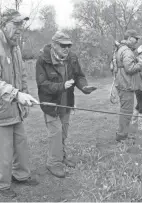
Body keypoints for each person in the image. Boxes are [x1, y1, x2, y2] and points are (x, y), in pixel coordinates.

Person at [0, 9, 40, 198]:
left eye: (22, 25)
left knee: (20, 145)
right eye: (16, 24)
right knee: (3, 151)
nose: (20, 29)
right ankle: (2, 185)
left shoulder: (15, 46)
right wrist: (16, 95)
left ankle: (21, 176)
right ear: (3, 25)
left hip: (13, 107)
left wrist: (24, 97)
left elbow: (21, 76)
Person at [35, 31, 97, 178]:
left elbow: (79, 76)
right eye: (63, 45)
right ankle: (53, 163)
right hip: (51, 104)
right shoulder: (42, 60)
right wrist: (62, 86)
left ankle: (61, 156)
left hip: (66, 102)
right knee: (55, 133)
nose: (66, 48)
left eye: (69, 45)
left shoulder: (72, 58)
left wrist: (84, 87)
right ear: (54, 45)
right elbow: (42, 84)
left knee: (63, 131)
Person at [114, 29, 142, 142]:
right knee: (126, 112)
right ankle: (122, 137)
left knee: (126, 111)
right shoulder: (127, 51)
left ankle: (123, 134)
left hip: (123, 84)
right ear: (129, 38)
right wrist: (140, 62)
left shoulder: (123, 48)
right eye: (136, 38)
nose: (137, 41)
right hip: (125, 85)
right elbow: (130, 69)